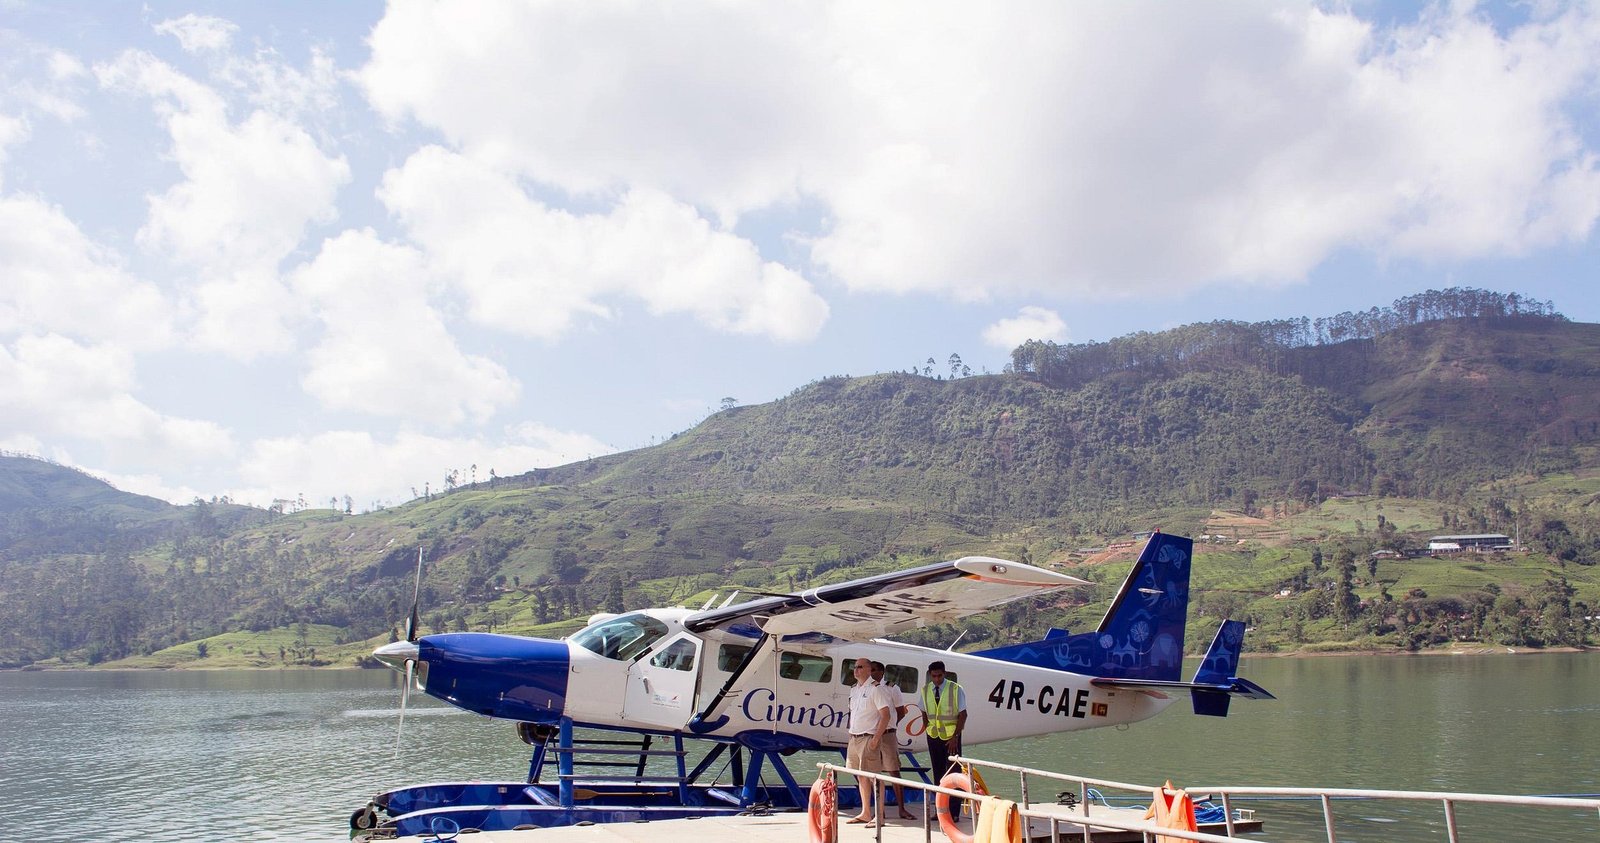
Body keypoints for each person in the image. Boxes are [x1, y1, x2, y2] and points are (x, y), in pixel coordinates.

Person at [845, 656, 894, 826]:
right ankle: (866, 812)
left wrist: (876, 739)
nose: (855, 670)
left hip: (868, 737)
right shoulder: (854, 689)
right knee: (861, 776)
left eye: (859, 667)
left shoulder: (876, 689)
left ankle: (879, 815)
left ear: (868, 669)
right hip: (854, 737)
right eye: (855, 667)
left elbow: (885, 715)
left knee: (874, 777)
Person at [919, 660, 967, 814]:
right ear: (930, 675)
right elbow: (923, 710)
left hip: (951, 738)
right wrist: (927, 727)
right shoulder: (926, 690)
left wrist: (955, 737)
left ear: (944, 674)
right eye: (934, 676)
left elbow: (963, 714)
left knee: (954, 774)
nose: (937, 679)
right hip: (933, 736)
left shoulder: (955, 689)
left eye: (940, 676)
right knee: (938, 773)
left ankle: (954, 812)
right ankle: (940, 811)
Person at [870, 661, 915, 819]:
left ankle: (901, 809)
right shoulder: (866, 688)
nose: (871, 672)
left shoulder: (891, 688)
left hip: (887, 734)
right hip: (869, 733)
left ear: (881, 672)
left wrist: (891, 725)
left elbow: (900, 711)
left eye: (874, 670)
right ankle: (878, 809)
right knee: (871, 771)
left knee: (893, 771)